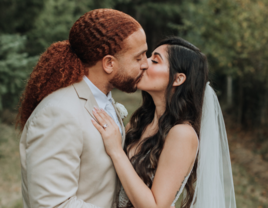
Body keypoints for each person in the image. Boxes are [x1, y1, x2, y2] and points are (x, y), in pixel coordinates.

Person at [16, 9, 148, 208]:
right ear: (109, 63)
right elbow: (52, 204)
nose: (146, 64)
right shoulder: (59, 113)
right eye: (139, 58)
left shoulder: (105, 103)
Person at [92, 37, 237, 208]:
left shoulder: (182, 134)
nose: (144, 64)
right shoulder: (138, 124)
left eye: (154, 60)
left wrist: (116, 151)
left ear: (178, 79)